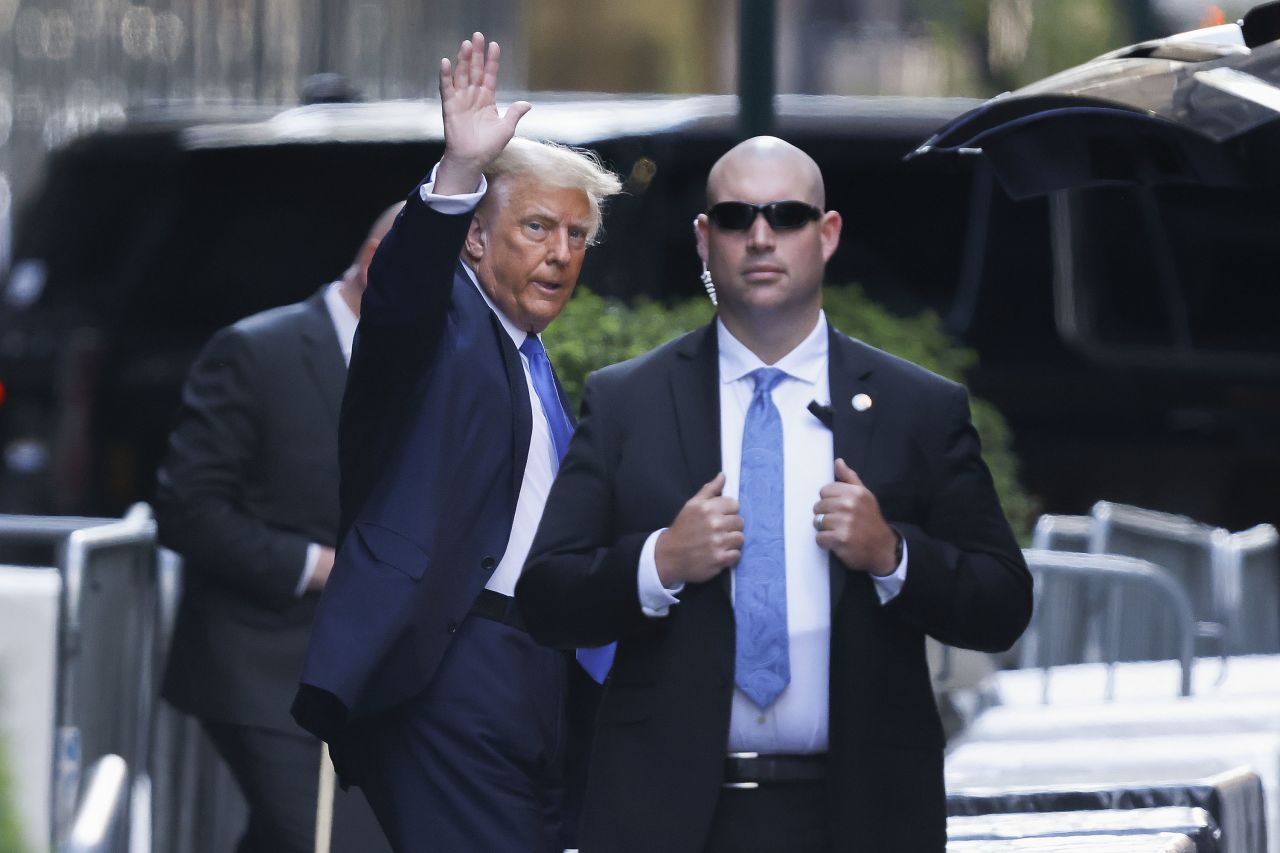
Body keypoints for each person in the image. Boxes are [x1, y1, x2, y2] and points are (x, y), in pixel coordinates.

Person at [516, 136, 1034, 852]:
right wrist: (659, 562)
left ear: (826, 235)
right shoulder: (628, 400)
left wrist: (893, 555)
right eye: (736, 217)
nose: (760, 236)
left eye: (786, 215)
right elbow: (545, 594)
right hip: (667, 814)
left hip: (861, 812)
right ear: (705, 239)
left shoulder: (919, 407)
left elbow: (1003, 602)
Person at [290, 33, 623, 853]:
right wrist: (458, 177)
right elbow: (399, 294)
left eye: (578, 236)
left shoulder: (533, 360)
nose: (560, 253)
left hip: (543, 672)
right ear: (474, 239)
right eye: (539, 226)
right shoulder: (443, 326)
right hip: (453, 662)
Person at [154, 202, 402, 853]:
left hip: (372, 672)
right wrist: (316, 564)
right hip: (261, 659)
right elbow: (186, 508)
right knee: (320, 839)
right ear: (378, 263)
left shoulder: (433, 365)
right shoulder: (256, 349)